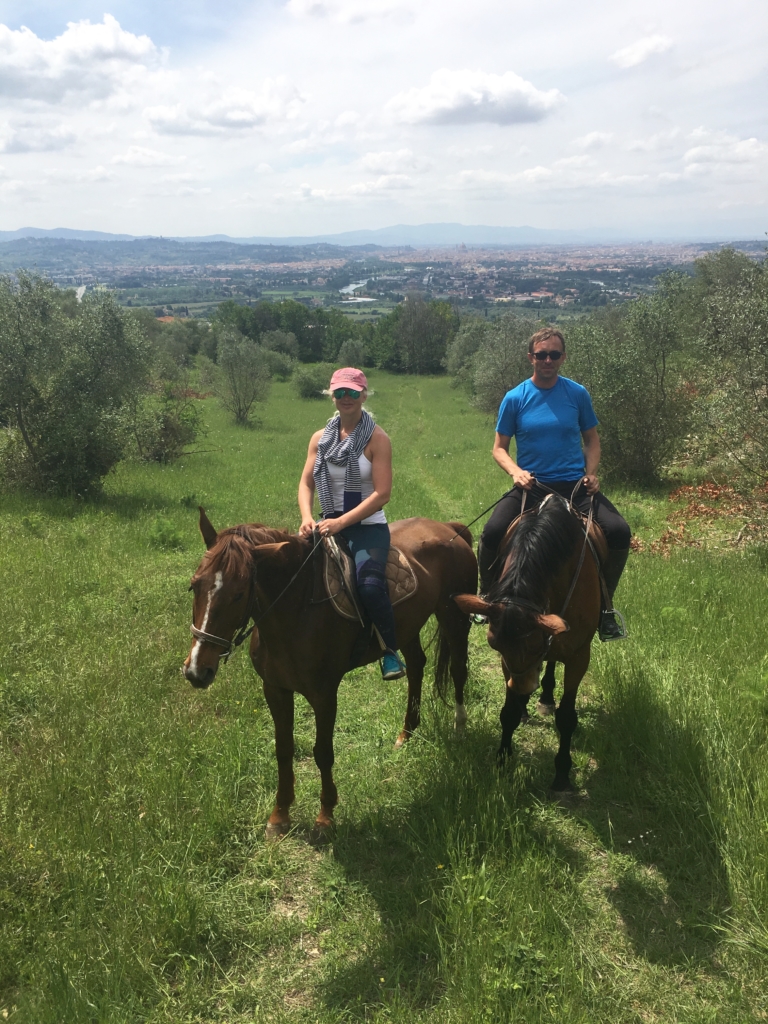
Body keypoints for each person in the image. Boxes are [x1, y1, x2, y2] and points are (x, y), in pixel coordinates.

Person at [478, 327, 630, 641]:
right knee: (492, 532)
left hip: (575, 487)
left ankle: (605, 608)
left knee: (618, 531)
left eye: (554, 354)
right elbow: (499, 448)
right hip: (531, 487)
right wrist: (515, 473)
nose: (547, 360)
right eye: (541, 354)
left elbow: (592, 440)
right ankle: (488, 598)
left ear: (563, 357)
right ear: (530, 357)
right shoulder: (515, 398)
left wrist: (591, 472)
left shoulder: (577, 394)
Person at [298, 367, 407, 678]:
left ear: (364, 395)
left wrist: (341, 523)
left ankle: (390, 651)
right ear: (332, 395)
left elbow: (382, 494)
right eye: (340, 392)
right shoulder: (320, 439)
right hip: (324, 523)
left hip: (367, 527)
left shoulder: (378, 439)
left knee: (370, 587)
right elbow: (306, 483)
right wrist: (307, 517)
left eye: (353, 392)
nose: (346, 398)